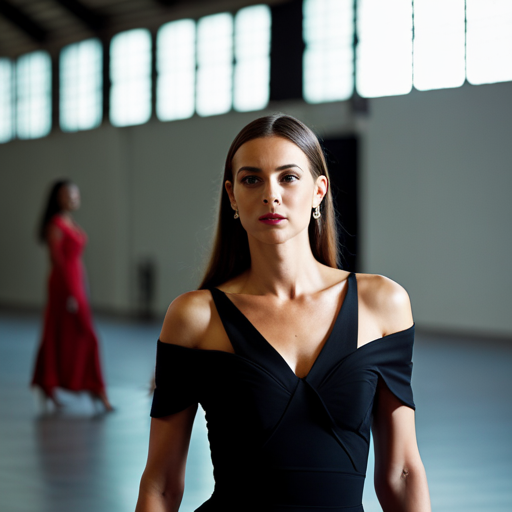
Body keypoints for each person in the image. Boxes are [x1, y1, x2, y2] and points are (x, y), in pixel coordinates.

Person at [135, 114, 430, 511]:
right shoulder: (196, 317)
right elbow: (162, 483)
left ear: (318, 190)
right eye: (251, 179)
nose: (270, 194)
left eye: (288, 177)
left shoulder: (382, 304)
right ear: (232, 196)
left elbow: (402, 472)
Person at [31, 179, 113, 413]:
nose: (74, 198)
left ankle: (49, 384)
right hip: (65, 286)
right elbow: (57, 261)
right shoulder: (55, 224)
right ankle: (97, 389)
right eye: (69, 194)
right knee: (85, 335)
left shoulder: (69, 222)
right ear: (58, 197)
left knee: (58, 334)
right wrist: (70, 294)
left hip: (76, 283)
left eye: (76, 194)